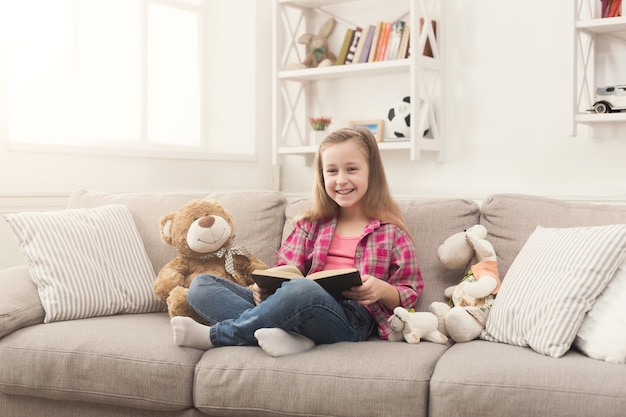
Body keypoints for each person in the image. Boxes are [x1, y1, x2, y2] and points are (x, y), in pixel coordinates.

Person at [171, 128, 424, 356]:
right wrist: (265, 288)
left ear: (372, 172)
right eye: (332, 171)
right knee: (201, 286)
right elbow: (285, 272)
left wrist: (382, 290)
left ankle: (218, 336)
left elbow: (410, 292)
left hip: (351, 319)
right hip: (295, 303)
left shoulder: (391, 232)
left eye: (352, 169)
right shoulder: (309, 225)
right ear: (322, 177)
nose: (341, 179)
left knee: (302, 290)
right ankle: (293, 337)